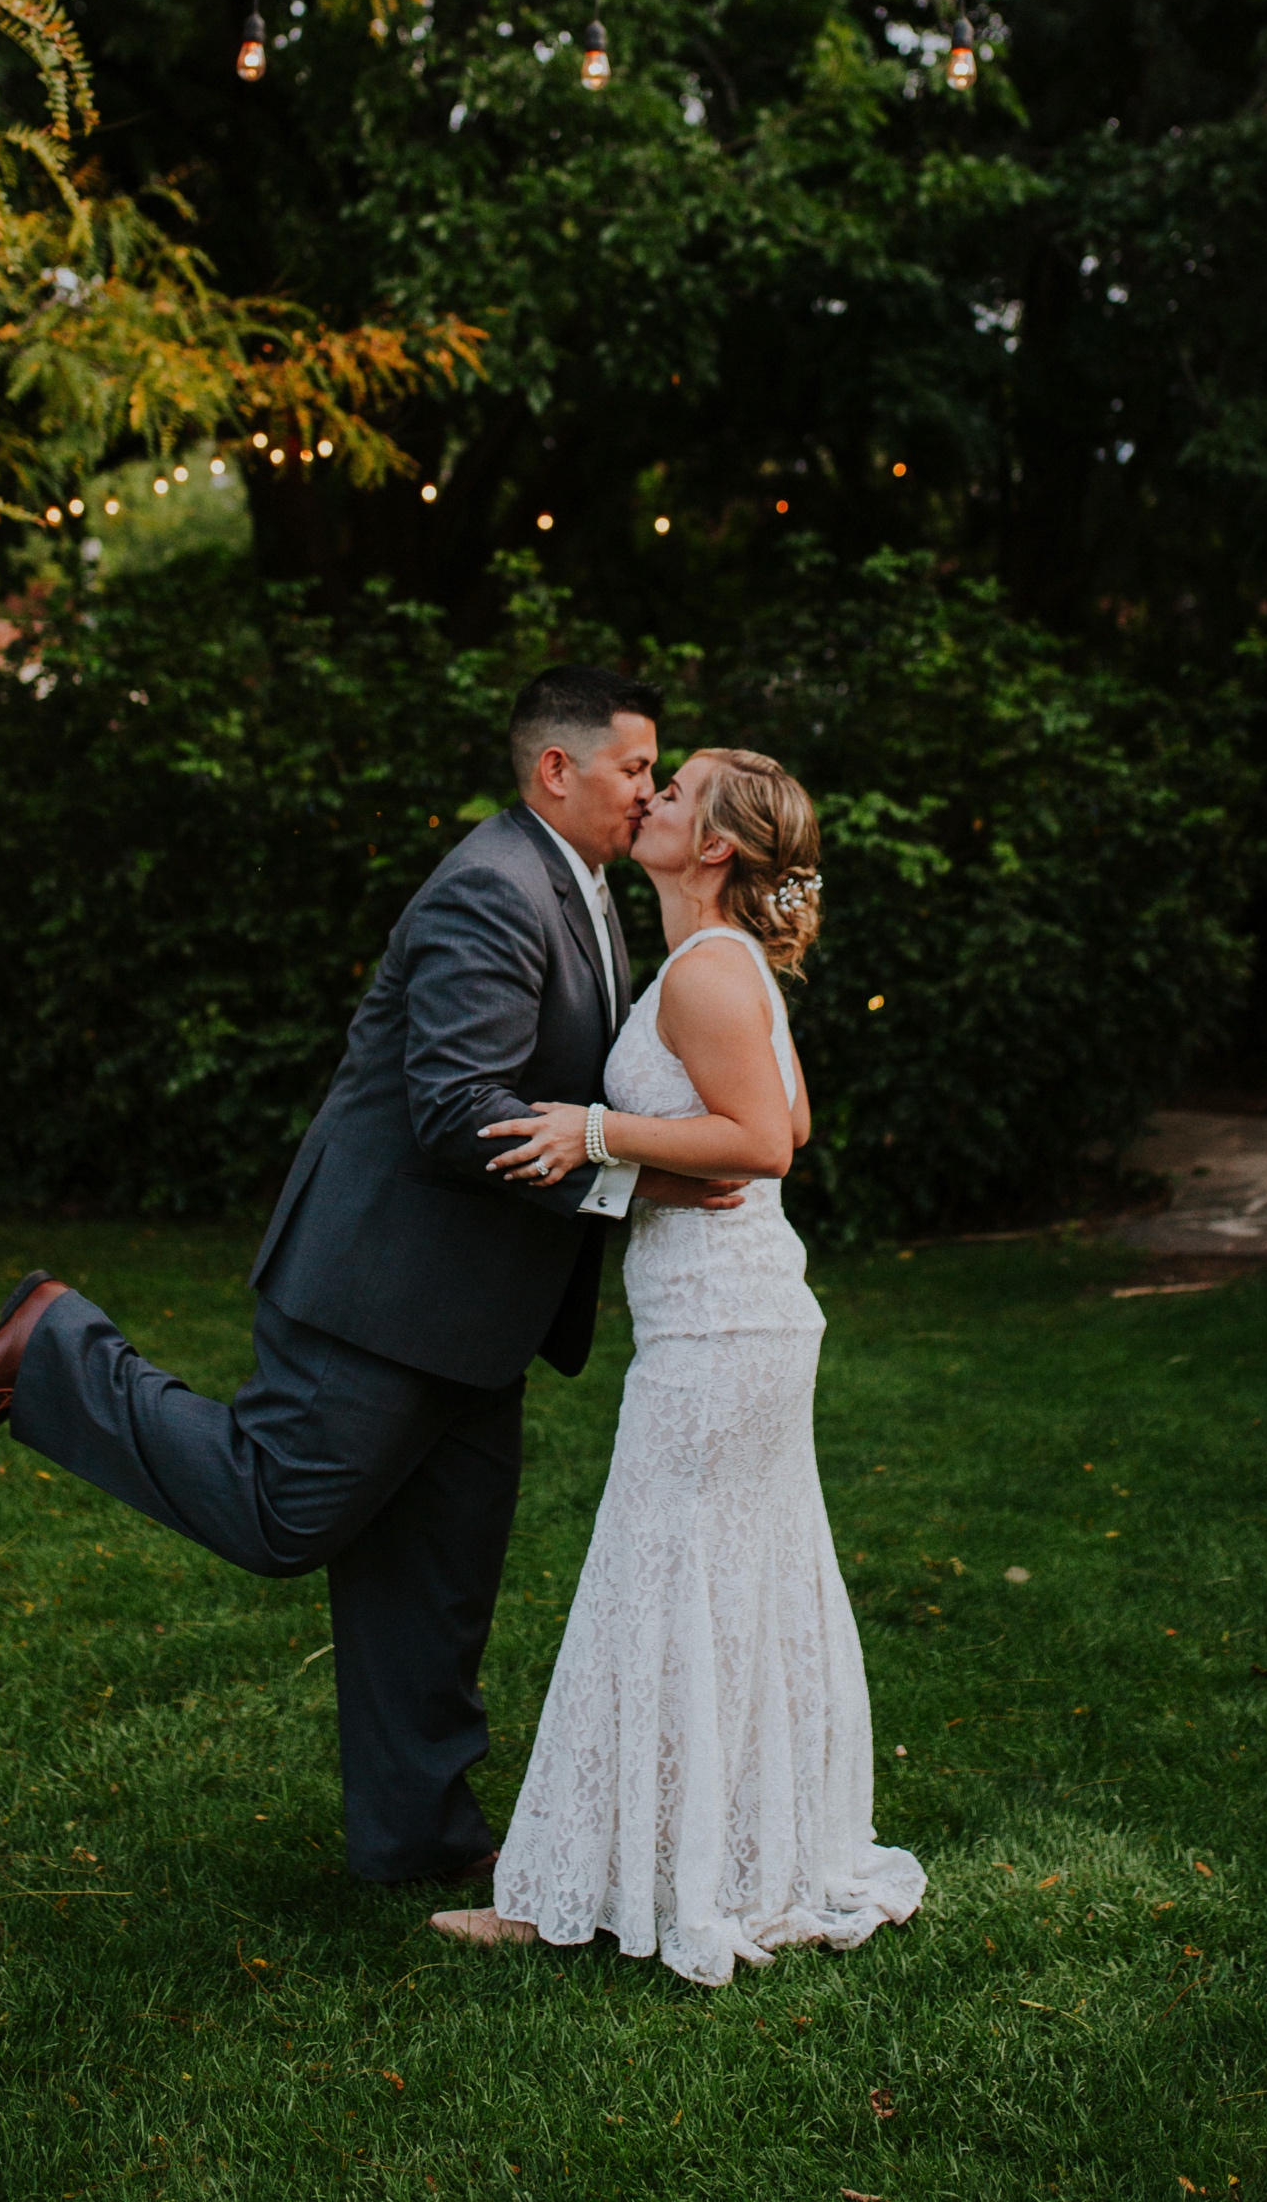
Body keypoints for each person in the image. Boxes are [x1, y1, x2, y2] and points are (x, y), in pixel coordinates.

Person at [0, 664, 746, 1886]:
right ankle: (53, 1353)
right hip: (388, 1289)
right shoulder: (492, 889)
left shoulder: (581, 889)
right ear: (555, 771)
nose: (647, 791)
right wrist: (638, 1183)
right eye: (635, 768)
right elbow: (458, 1112)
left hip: (482, 1313)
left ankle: (419, 1839)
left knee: (437, 1579)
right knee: (279, 1513)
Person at [433, 747, 924, 1982]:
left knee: (652, 1583)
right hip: (733, 1315)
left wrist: (589, 1129)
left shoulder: (707, 969)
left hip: (719, 1329)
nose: (648, 796)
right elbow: (782, 1122)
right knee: (719, 1588)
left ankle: (564, 1896)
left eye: (675, 788)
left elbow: (763, 1139)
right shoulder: (718, 966)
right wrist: (650, 1167)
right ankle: (720, 1857)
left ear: (710, 845)